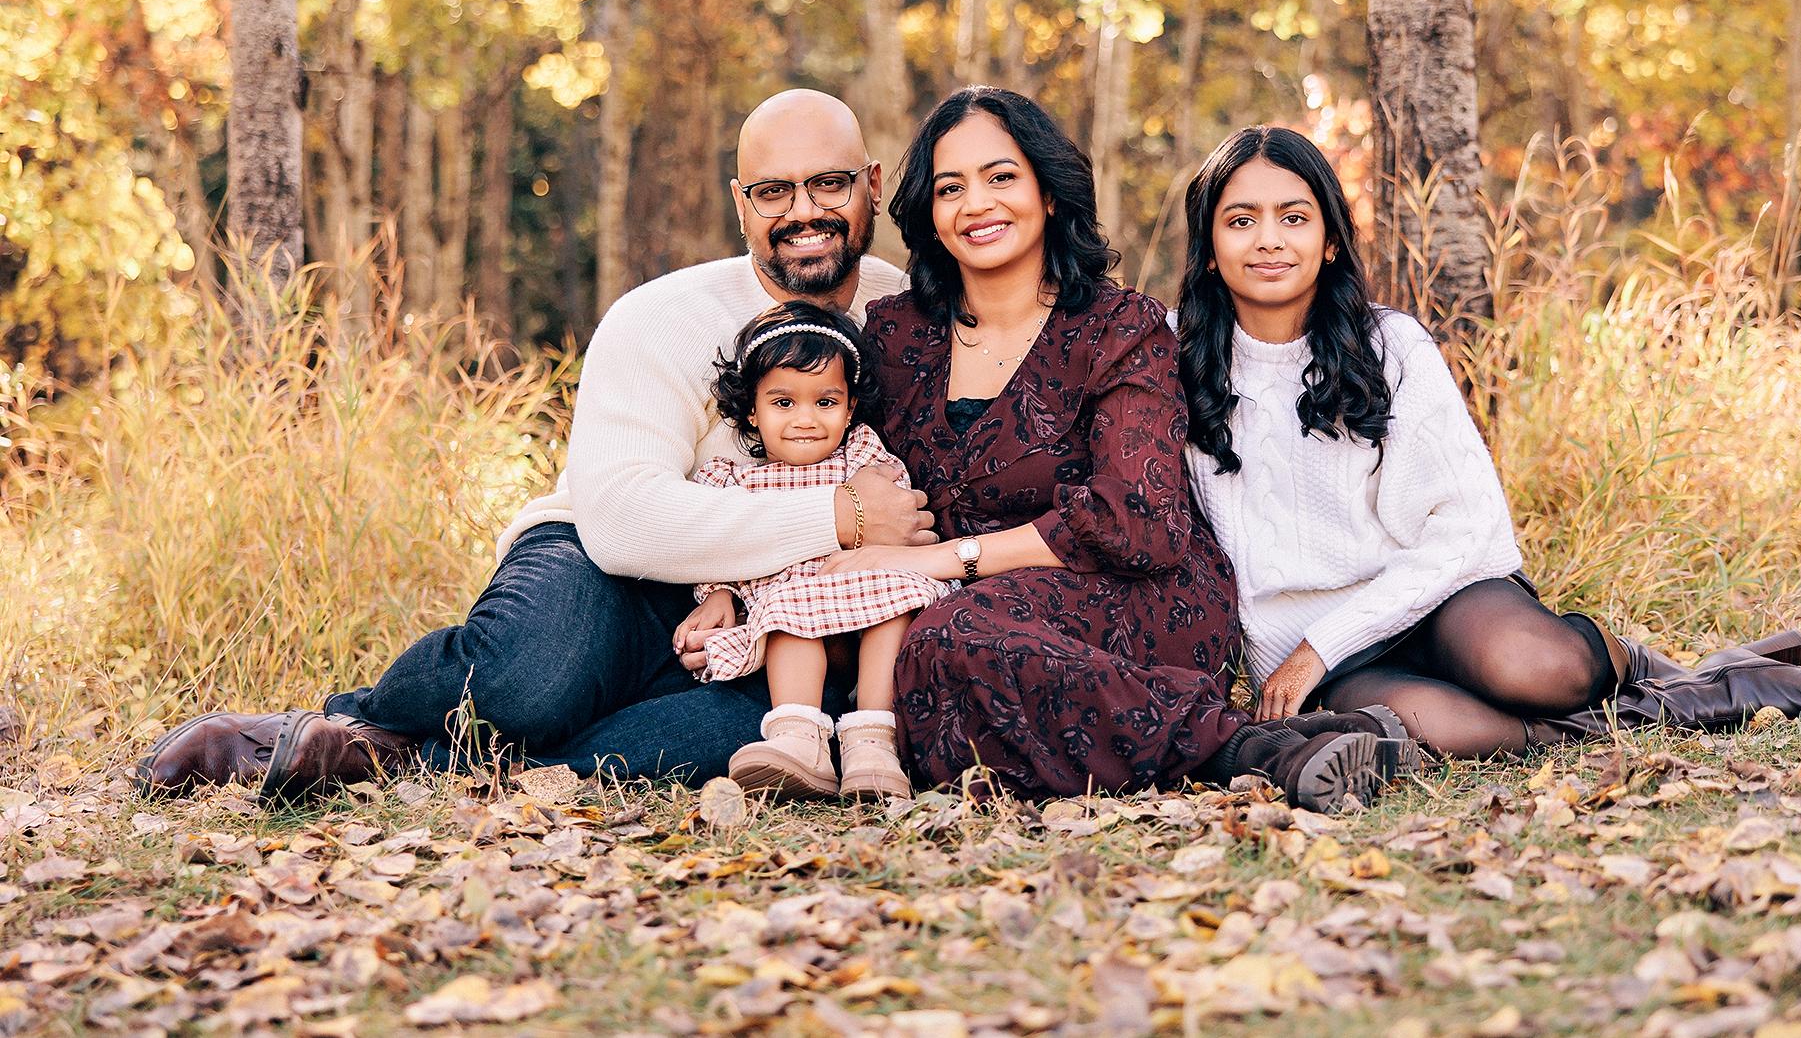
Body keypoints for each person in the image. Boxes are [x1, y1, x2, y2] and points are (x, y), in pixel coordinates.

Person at [135, 90, 935, 804]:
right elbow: (623, 522)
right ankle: (349, 724)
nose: (805, 210)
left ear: (869, 182)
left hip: (786, 614)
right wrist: (842, 515)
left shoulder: (904, 316)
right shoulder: (659, 316)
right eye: (774, 190)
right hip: (611, 572)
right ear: (741, 202)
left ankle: (417, 757)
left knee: (678, 748)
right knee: (533, 680)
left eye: (829, 183)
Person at [1173, 125, 1801, 758]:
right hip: (1331, 653)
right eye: (1241, 220)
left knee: (1538, 668)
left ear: (1329, 240)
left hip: (1438, 599)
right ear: (1209, 245)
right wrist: (1308, 652)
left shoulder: (1389, 347)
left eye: (1293, 217)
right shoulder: (1171, 358)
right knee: (1438, 725)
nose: (1268, 239)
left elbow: (1468, 526)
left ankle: (1648, 668)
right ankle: (1724, 686)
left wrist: (1314, 650)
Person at [821, 87, 1414, 812]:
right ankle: (1321, 738)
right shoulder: (892, 334)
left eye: (1001, 177)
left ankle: (1250, 748)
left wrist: (949, 559)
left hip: (1137, 593)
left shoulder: (1118, 324)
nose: (977, 203)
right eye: (952, 187)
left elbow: (1139, 518)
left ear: (1047, 191)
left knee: (952, 643)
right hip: (956, 615)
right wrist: (727, 592)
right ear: (929, 211)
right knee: (928, 677)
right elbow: (817, 463)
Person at [682, 302, 946, 800]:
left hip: (865, 593)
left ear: (849, 409)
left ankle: (874, 740)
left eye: (826, 402)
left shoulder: (863, 456)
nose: (806, 419)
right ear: (752, 412)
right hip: (794, 613)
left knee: (897, 598)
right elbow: (712, 546)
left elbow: (897, 516)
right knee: (787, 610)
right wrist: (718, 595)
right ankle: (799, 739)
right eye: (783, 403)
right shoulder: (734, 477)